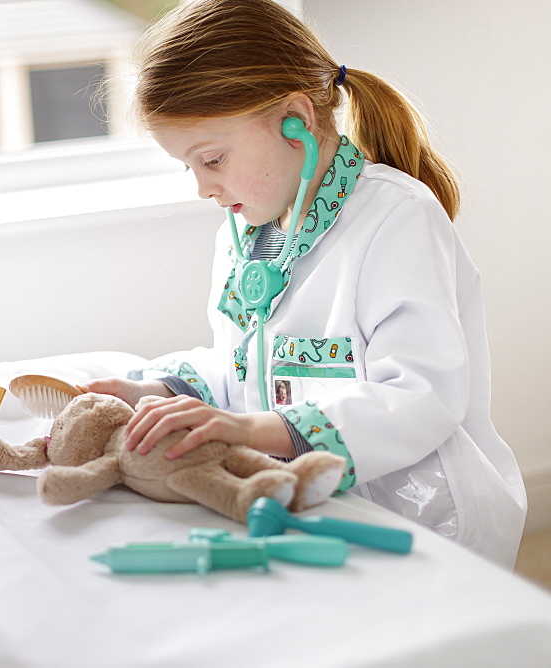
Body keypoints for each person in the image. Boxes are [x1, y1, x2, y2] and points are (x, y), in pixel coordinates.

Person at [83, 0, 526, 567]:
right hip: (314, 507)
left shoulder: (397, 218)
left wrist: (252, 429)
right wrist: (163, 393)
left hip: (425, 523)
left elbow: (420, 397)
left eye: (212, 159)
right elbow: (245, 367)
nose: (202, 188)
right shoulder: (247, 233)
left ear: (296, 120)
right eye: (188, 167)